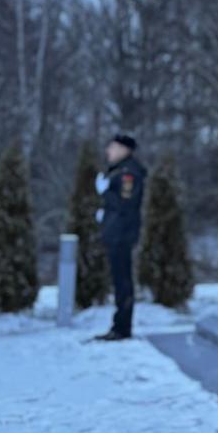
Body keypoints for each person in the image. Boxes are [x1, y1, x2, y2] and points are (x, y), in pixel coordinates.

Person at [93, 133, 147, 341]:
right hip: (116, 233)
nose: (109, 151)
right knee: (119, 281)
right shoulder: (120, 170)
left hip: (122, 235)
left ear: (125, 150)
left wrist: (105, 193)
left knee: (123, 282)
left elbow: (126, 204)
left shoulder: (128, 173)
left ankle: (122, 328)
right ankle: (119, 325)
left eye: (113, 147)